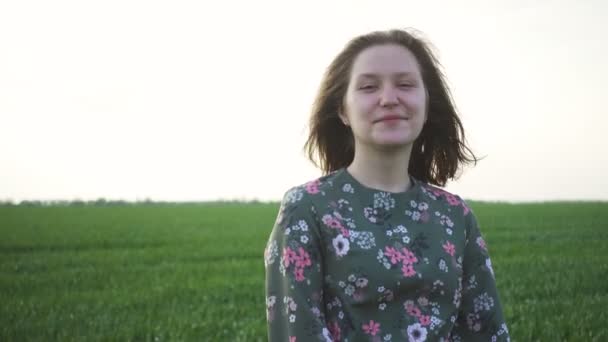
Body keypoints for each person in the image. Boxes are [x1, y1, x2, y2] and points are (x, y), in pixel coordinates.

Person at [264, 28, 510, 342]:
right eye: (369, 87)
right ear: (342, 109)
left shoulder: (454, 216)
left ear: (426, 103)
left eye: (405, 85)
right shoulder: (307, 209)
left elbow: (486, 331)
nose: (389, 98)